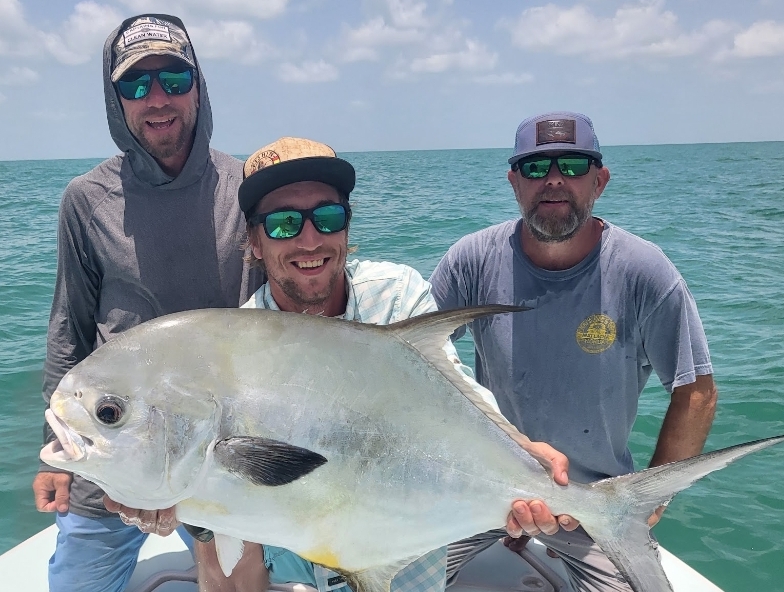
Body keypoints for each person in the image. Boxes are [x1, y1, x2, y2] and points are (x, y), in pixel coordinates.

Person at [143, 135, 569, 592]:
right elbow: (230, 516)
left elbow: (454, 394)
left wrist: (520, 452)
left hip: (408, 574)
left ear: (346, 227)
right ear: (253, 241)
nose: (310, 240)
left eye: (327, 218)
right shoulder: (230, 351)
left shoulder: (397, 296)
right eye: (285, 223)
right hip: (294, 578)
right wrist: (183, 505)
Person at [429, 111, 718, 591]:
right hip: (480, 490)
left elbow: (697, 391)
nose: (555, 180)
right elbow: (420, 369)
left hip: (591, 507)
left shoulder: (645, 271)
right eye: (536, 167)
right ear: (514, 182)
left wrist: (648, 500)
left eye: (574, 165)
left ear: (599, 181)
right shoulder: (471, 260)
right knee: (376, 570)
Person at [32, 13, 263, 592]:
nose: (156, 100)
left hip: (220, 450)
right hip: (116, 441)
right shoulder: (85, 200)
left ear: (198, 86)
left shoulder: (249, 186)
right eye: (135, 85)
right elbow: (70, 331)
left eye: (173, 80)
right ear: (116, 100)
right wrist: (54, 450)